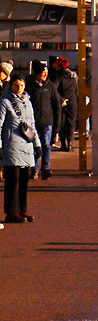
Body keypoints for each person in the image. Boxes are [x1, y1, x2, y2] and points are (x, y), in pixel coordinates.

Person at [1, 73, 40, 222]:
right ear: (11, 85)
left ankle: (22, 209)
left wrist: (37, 144)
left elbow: (32, 125)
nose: (19, 88)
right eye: (16, 85)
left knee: (24, 179)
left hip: (26, 146)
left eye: (22, 85)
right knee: (13, 179)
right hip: (11, 144)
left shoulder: (27, 102)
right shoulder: (5, 101)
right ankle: (11, 212)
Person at [26, 63, 60, 180]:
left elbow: (56, 104)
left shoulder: (50, 86)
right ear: (37, 74)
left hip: (47, 120)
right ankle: (34, 169)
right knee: (33, 145)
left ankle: (45, 168)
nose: (45, 75)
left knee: (46, 144)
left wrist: (57, 125)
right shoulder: (29, 85)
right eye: (43, 72)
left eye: (46, 72)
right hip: (33, 121)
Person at [50, 58, 78, 151]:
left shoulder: (58, 76)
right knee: (71, 123)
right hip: (72, 100)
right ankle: (70, 143)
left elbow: (54, 88)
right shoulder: (73, 75)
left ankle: (63, 144)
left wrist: (61, 99)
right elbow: (77, 89)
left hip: (62, 101)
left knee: (62, 123)